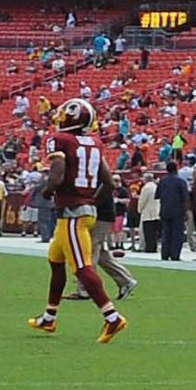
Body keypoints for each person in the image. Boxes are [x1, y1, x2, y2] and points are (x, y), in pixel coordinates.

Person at [29, 99, 126, 342]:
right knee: (55, 260)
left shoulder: (60, 140)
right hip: (77, 213)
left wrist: (47, 190)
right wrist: (91, 200)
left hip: (73, 213)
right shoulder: (94, 143)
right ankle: (49, 317)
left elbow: (58, 172)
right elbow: (109, 181)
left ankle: (112, 317)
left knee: (82, 267)